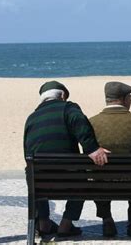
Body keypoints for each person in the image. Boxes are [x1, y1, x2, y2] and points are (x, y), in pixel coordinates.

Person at [24, 81, 110, 238]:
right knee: (84, 178)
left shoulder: (32, 118)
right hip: (70, 179)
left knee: (32, 172)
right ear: (62, 95)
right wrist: (93, 149)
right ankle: (65, 225)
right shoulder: (68, 108)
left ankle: (43, 222)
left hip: (39, 180)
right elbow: (80, 124)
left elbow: (27, 152)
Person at [89, 81, 131, 238]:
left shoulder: (92, 122)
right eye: (130, 97)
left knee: (96, 174)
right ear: (124, 99)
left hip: (103, 182)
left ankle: (107, 219)